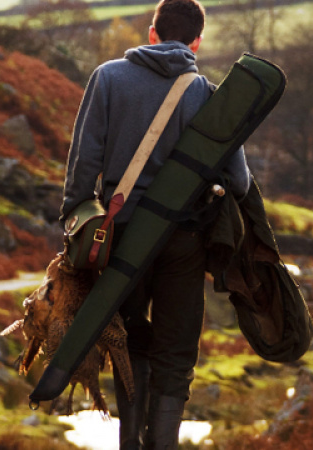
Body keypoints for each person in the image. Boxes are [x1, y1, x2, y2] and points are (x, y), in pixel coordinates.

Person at [59, 0, 251, 448]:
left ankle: (129, 443)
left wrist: (73, 221)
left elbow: (84, 162)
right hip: (184, 240)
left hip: (120, 236)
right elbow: (238, 181)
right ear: (197, 42)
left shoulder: (107, 78)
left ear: (151, 32)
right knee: (176, 352)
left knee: (127, 341)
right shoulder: (208, 94)